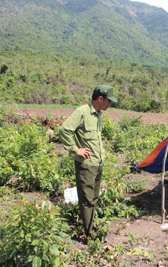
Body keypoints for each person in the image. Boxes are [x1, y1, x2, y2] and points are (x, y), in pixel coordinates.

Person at [59, 85, 117, 240]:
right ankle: (90, 234)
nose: (110, 104)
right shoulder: (82, 112)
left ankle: (89, 225)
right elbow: (64, 130)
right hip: (86, 165)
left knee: (94, 198)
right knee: (87, 200)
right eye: (108, 101)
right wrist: (75, 149)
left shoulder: (98, 114)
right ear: (100, 99)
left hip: (97, 163)